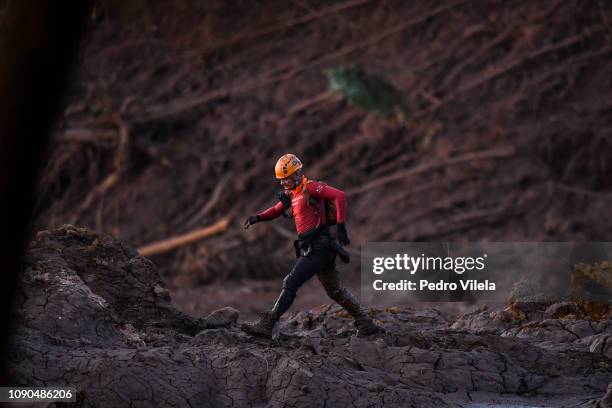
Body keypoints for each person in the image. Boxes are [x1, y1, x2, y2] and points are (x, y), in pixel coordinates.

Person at [241, 153, 383, 338]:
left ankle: (267, 325)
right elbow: (277, 210)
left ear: (296, 174)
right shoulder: (292, 193)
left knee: (290, 282)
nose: (282, 183)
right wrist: (257, 218)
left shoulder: (311, 187)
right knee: (334, 291)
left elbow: (340, 195)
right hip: (315, 248)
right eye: (280, 180)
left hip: (321, 247)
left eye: (285, 179)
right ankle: (366, 323)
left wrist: (341, 226)